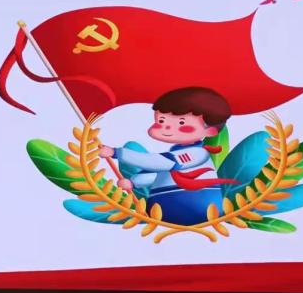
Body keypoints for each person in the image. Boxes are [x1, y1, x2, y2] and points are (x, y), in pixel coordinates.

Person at [98, 86, 234, 225]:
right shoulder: (175, 154)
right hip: (163, 209)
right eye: (161, 121)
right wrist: (134, 182)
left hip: (197, 208)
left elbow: (161, 163)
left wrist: (117, 153)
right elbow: (160, 175)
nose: (167, 127)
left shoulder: (197, 154)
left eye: (181, 122)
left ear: (210, 131)